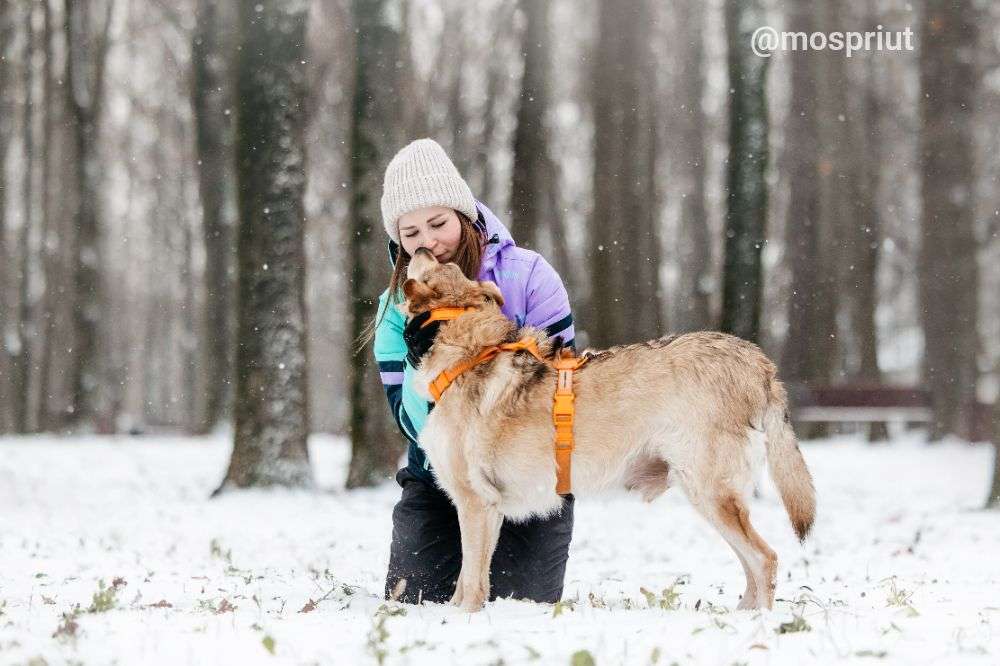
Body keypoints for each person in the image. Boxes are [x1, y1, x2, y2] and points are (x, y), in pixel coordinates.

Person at [366, 138, 577, 605]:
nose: (428, 241)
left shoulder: (529, 277)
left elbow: (563, 386)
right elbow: (409, 423)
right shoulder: (395, 311)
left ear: (464, 216)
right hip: (438, 477)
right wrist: (422, 362)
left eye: (438, 223)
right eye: (411, 232)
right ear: (398, 240)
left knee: (522, 603)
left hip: (526, 473)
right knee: (412, 599)